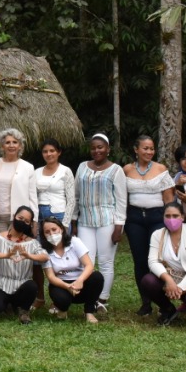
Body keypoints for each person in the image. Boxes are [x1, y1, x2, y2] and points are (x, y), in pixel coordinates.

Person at [73, 133, 127, 314]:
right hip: (85, 221)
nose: (96, 150)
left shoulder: (116, 170)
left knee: (105, 261)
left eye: (100, 147)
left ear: (108, 149)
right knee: (85, 260)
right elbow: (76, 195)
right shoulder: (82, 167)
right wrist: (73, 220)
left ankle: (102, 298)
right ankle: (90, 295)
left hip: (107, 221)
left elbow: (121, 200)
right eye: (93, 148)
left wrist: (119, 226)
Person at [123, 134, 175, 316]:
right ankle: (145, 303)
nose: (149, 151)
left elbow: (169, 198)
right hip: (135, 218)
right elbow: (122, 196)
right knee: (140, 260)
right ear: (136, 150)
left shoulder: (161, 169)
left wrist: (171, 221)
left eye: (152, 148)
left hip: (157, 217)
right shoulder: (127, 170)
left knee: (157, 259)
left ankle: (162, 301)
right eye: (145, 148)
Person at [0, 128, 39, 303]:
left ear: (20, 145)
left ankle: (20, 295)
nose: (11, 145)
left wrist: (34, 221)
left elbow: (32, 196)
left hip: (19, 219)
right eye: (7, 142)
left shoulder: (28, 167)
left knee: (20, 256)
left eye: (15, 142)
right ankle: (4, 291)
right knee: (3, 255)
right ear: (2, 145)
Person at [0, 206, 46, 324]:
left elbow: (45, 257)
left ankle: (24, 311)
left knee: (31, 286)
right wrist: (5, 255)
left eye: (26, 221)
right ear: (14, 216)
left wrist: (28, 255)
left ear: (30, 224)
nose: (22, 222)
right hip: (1, 283)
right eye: (20, 218)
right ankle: (8, 305)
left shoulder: (32, 242)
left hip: (22, 283)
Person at [41, 217, 104, 323]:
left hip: (81, 283)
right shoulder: (43, 251)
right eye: (47, 232)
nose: (51, 234)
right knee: (61, 299)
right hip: (61, 284)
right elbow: (51, 277)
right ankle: (62, 309)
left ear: (61, 229)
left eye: (54, 229)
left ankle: (89, 312)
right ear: (43, 235)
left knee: (97, 277)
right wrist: (68, 287)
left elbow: (89, 265)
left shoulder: (74, 241)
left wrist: (80, 280)